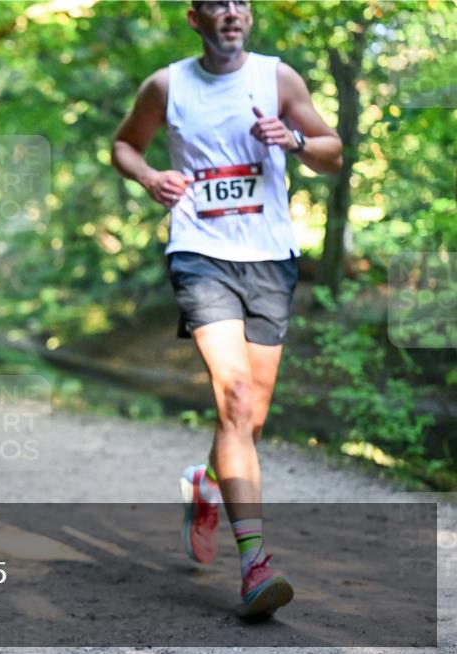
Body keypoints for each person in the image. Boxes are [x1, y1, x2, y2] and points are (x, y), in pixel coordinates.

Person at [111, 0, 343, 618]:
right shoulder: (168, 84)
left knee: (253, 418)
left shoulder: (277, 78)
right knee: (234, 397)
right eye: (218, 3)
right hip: (200, 252)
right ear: (196, 17)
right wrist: (149, 177)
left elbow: (332, 151)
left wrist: (293, 140)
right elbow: (124, 146)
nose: (231, 12)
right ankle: (255, 565)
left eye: (241, 1)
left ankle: (205, 484)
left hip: (269, 256)